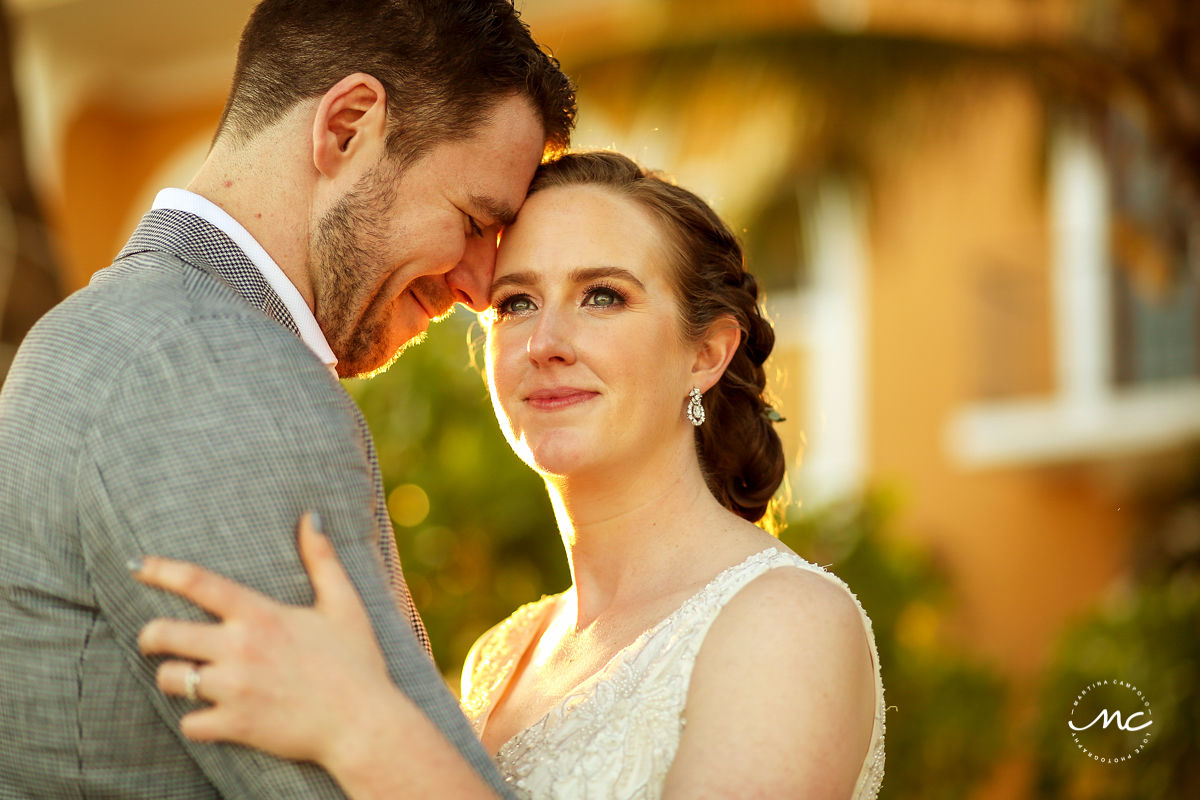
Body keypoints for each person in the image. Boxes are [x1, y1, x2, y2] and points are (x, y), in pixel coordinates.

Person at [133, 151, 887, 799]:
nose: (547, 342)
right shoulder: (503, 654)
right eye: (516, 302)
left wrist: (363, 728)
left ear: (706, 353)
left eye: (603, 296)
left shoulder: (788, 618)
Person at [0, 0, 574, 797]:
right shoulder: (222, 376)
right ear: (347, 126)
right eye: (475, 220)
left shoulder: (91, 332)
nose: (481, 286)